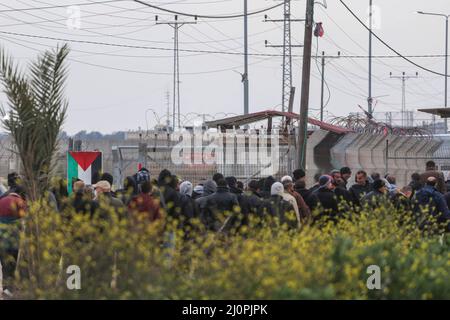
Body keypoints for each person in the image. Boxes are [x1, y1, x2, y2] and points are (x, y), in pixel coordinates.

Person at [0, 185, 27, 289]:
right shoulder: (20, 202)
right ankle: (12, 287)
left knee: (4, 263)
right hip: (15, 239)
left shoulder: (1, 201)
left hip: (2, 239)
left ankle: (6, 286)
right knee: (14, 262)